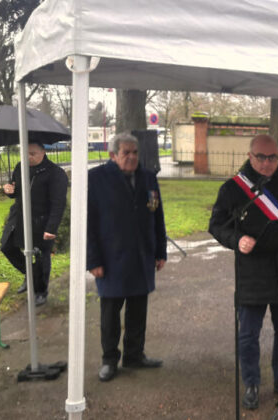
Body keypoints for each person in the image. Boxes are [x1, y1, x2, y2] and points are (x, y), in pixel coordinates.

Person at [209, 134, 278, 410]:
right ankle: (252, 383)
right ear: (250, 155)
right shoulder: (233, 189)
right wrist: (235, 240)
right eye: (261, 157)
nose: (267, 163)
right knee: (248, 334)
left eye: (272, 157)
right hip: (253, 272)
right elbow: (217, 225)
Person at [87, 132, 167, 382]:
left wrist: (160, 251)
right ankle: (109, 360)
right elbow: (88, 222)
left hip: (141, 255)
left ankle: (134, 355)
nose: (132, 157)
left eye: (135, 152)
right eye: (126, 153)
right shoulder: (97, 179)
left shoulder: (148, 178)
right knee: (110, 314)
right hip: (111, 259)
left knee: (138, 310)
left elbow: (157, 216)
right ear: (113, 155)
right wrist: (93, 260)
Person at [1, 141, 68, 307]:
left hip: (42, 221)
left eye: (33, 153)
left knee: (41, 257)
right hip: (19, 217)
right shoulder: (19, 167)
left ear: (43, 152)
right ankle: (30, 275)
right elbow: (15, 190)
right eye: (26, 153)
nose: (28, 157)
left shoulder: (56, 174)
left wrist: (51, 228)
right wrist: (9, 190)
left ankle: (40, 291)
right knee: (7, 246)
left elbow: (58, 204)